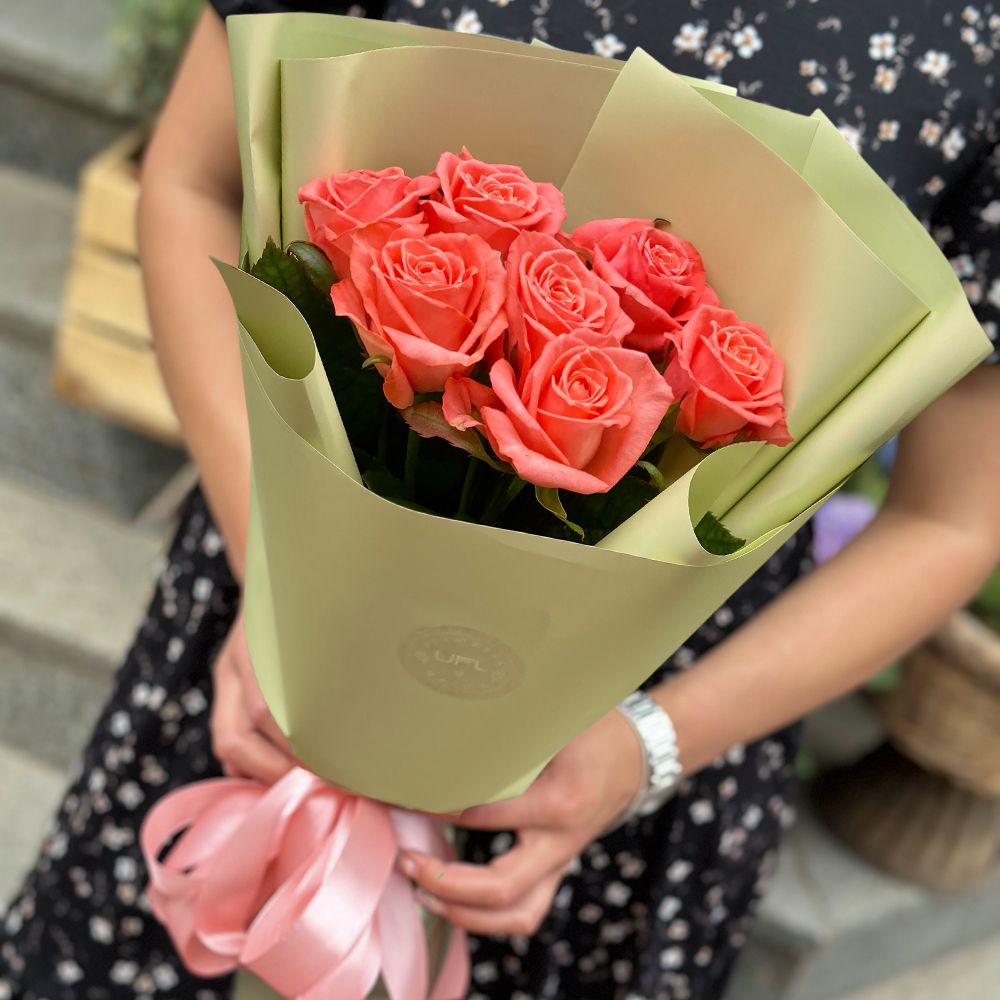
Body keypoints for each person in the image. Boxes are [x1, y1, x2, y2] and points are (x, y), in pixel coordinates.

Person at [2, 2, 998, 998]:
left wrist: (648, 747)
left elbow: (952, 517)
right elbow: (194, 181)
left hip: (627, 732)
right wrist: (278, 580)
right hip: (276, 620)